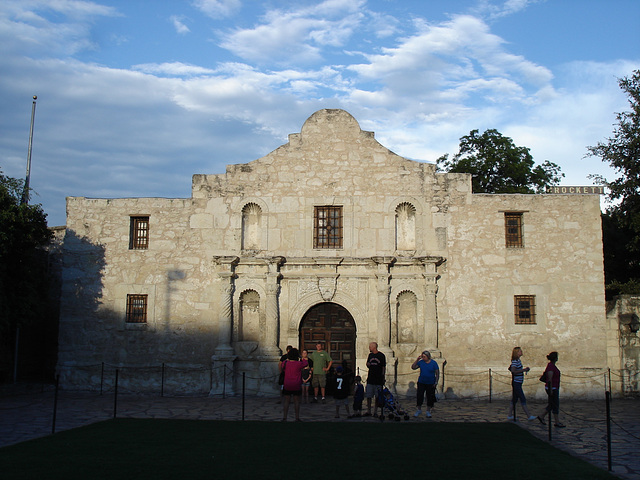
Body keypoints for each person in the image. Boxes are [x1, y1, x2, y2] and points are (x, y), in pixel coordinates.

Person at [507, 347, 536, 421]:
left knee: (514, 399)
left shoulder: (517, 360)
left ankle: (510, 415)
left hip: (518, 382)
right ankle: (528, 416)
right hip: (516, 383)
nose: (521, 352)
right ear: (517, 352)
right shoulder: (515, 361)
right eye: (520, 351)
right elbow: (513, 371)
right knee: (522, 399)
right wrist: (523, 370)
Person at [537, 351, 565, 428]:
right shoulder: (551, 367)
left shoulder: (551, 365)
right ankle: (557, 421)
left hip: (554, 387)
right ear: (555, 358)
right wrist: (551, 390)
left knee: (552, 404)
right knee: (555, 404)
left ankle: (541, 416)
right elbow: (549, 379)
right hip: (552, 388)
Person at [281, 347, 307, 421]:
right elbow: (306, 363)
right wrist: (301, 357)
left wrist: (288, 359)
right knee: (296, 401)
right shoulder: (298, 364)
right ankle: (297, 417)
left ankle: (285, 417)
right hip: (296, 384)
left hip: (287, 384)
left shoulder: (286, 363)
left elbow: (282, 364)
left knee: (286, 401)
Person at [411, 350, 439, 418]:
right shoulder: (421, 362)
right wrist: (417, 360)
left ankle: (428, 410)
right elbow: (413, 367)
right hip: (421, 382)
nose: (423, 358)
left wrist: (436, 382)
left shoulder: (433, 363)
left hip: (430, 382)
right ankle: (419, 409)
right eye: (422, 356)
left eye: (424, 357)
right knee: (420, 395)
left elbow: (437, 373)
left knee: (429, 397)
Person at [364, 342, 386, 417]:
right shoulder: (370, 355)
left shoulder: (381, 356)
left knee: (377, 396)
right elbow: (367, 363)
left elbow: (383, 366)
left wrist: (383, 376)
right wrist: (368, 365)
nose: (369, 348)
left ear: (374, 347)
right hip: (370, 378)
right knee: (369, 395)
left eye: (370, 346)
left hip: (378, 378)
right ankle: (369, 410)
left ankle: (375, 411)